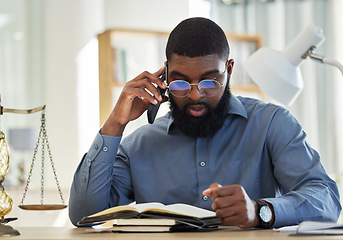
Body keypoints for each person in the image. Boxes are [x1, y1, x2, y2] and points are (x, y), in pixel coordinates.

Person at [69, 17, 341, 228]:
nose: (196, 94)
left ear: (229, 69)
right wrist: (115, 124)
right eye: (180, 82)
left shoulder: (271, 124)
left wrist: (260, 211)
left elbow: (327, 199)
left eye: (211, 81)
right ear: (164, 75)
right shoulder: (138, 144)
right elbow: (85, 216)